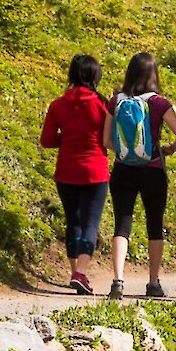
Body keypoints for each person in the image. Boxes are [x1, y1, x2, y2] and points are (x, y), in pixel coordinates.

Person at [106, 50, 176, 299]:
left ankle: (118, 281)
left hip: (122, 170)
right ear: (154, 74)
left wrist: (124, 152)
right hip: (152, 170)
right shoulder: (158, 103)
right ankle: (153, 283)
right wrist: (168, 149)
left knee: (122, 225)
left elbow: (106, 140)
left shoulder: (116, 101)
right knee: (154, 225)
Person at [40, 53, 112, 295]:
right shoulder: (102, 105)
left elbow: (47, 140)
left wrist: (68, 138)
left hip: (66, 171)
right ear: (95, 76)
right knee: (91, 222)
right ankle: (80, 273)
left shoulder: (58, 104)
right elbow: (109, 138)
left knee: (74, 222)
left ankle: (75, 273)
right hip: (95, 170)